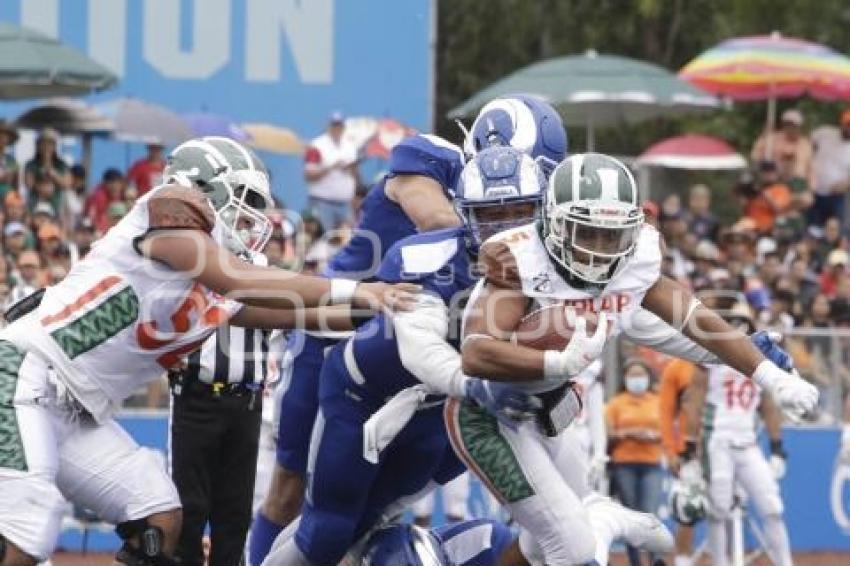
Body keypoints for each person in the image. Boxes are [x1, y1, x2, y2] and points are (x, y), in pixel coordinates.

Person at [0, 136, 412, 566]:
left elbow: (287, 312)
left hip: (75, 408)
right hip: (23, 374)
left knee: (156, 512)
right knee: (30, 529)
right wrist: (359, 288)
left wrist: (377, 312)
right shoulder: (169, 208)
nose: (253, 215)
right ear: (203, 185)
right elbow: (238, 279)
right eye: (246, 197)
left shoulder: (200, 280)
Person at [248, 94, 568, 565]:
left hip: (420, 367)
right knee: (292, 490)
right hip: (340, 330)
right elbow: (439, 224)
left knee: (366, 512)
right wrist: (502, 221)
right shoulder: (433, 161)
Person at [456, 153, 817, 565]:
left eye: (612, 236)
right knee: (571, 545)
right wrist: (555, 364)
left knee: (544, 544)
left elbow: (696, 323)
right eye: (586, 232)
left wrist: (770, 375)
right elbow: (476, 352)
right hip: (489, 414)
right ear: (553, 222)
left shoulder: (637, 261)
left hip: (552, 416)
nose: (599, 249)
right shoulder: (519, 259)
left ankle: (591, 519)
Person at [681, 303, 793, 566]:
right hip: (716, 439)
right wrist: (689, 446)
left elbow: (768, 405)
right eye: (734, 322)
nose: (740, 328)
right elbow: (694, 402)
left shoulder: (761, 360)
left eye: (744, 322)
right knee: (718, 510)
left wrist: (777, 446)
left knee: (773, 508)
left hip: (748, 442)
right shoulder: (709, 357)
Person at [168, 293, 274, 566]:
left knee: (235, 510)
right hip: (196, 394)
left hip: (247, 398)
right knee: (189, 507)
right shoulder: (196, 262)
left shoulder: (259, 267)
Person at [606, 359, 664, 566]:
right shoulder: (616, 403)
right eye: (633, 375)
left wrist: (654, 436)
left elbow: (668, 433)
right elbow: (608, 434)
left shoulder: (658, 401)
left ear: (648, 378)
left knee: (650, 512)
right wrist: (628, 433)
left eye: (641, 374)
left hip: (652, 464)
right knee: (631, 517)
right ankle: (635, 562)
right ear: (625, 378)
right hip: (624, 464)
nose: (637, 379)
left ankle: (656, 558)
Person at [658, 357, 698, 566]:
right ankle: (683, 561)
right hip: (688, 451)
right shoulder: (676, 367)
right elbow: (665, 413)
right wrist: (670, 451)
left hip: (721, 447)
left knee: (725, 509)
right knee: (687, 510)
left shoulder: (725, 362)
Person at [303, 112, 360, 232]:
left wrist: (351, 170)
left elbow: (355, 174)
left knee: (348, 239)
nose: (337, 128)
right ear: (328, 126)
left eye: (339, 125)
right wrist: (331, 167)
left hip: (345, 203)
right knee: (324, 238)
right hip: (322, 203)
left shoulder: (350, 146)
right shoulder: (316, 146)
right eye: (334, 125)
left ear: (343, 127)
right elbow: (309, 175)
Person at [751, 108, 813, 188]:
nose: (790, 128)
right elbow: (755, 158)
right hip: (775, 182)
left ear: (800, 126)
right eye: (787, 124)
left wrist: (811, 187)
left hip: (798, 182)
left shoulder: (805, 144)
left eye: (794, 125)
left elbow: (810, 168)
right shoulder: (771, 139)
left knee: (803, 198)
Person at [811, 109, 850, 226]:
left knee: (836, 230)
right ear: (841, 123)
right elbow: (807, 145)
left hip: (836, 195)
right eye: (848, 125)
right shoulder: (825, 133)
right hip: (814, 190)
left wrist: (846, 184)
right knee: (813, 228)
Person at [23, 128, 70, 194]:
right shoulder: (30, 164)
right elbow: (28, 184)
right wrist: (40, 187)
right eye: (43, 144)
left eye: (49, 144)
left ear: (54, 147)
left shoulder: (61, 164)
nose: (46, 147)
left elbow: (67, 184)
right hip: (36, 201)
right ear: (38, 146)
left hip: (56, 202)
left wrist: (54, 174)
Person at [0, 120, 19, 200]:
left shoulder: (12, 160)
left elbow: (16, 185)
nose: (2, 138)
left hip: (8, 201)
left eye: (5, 136)